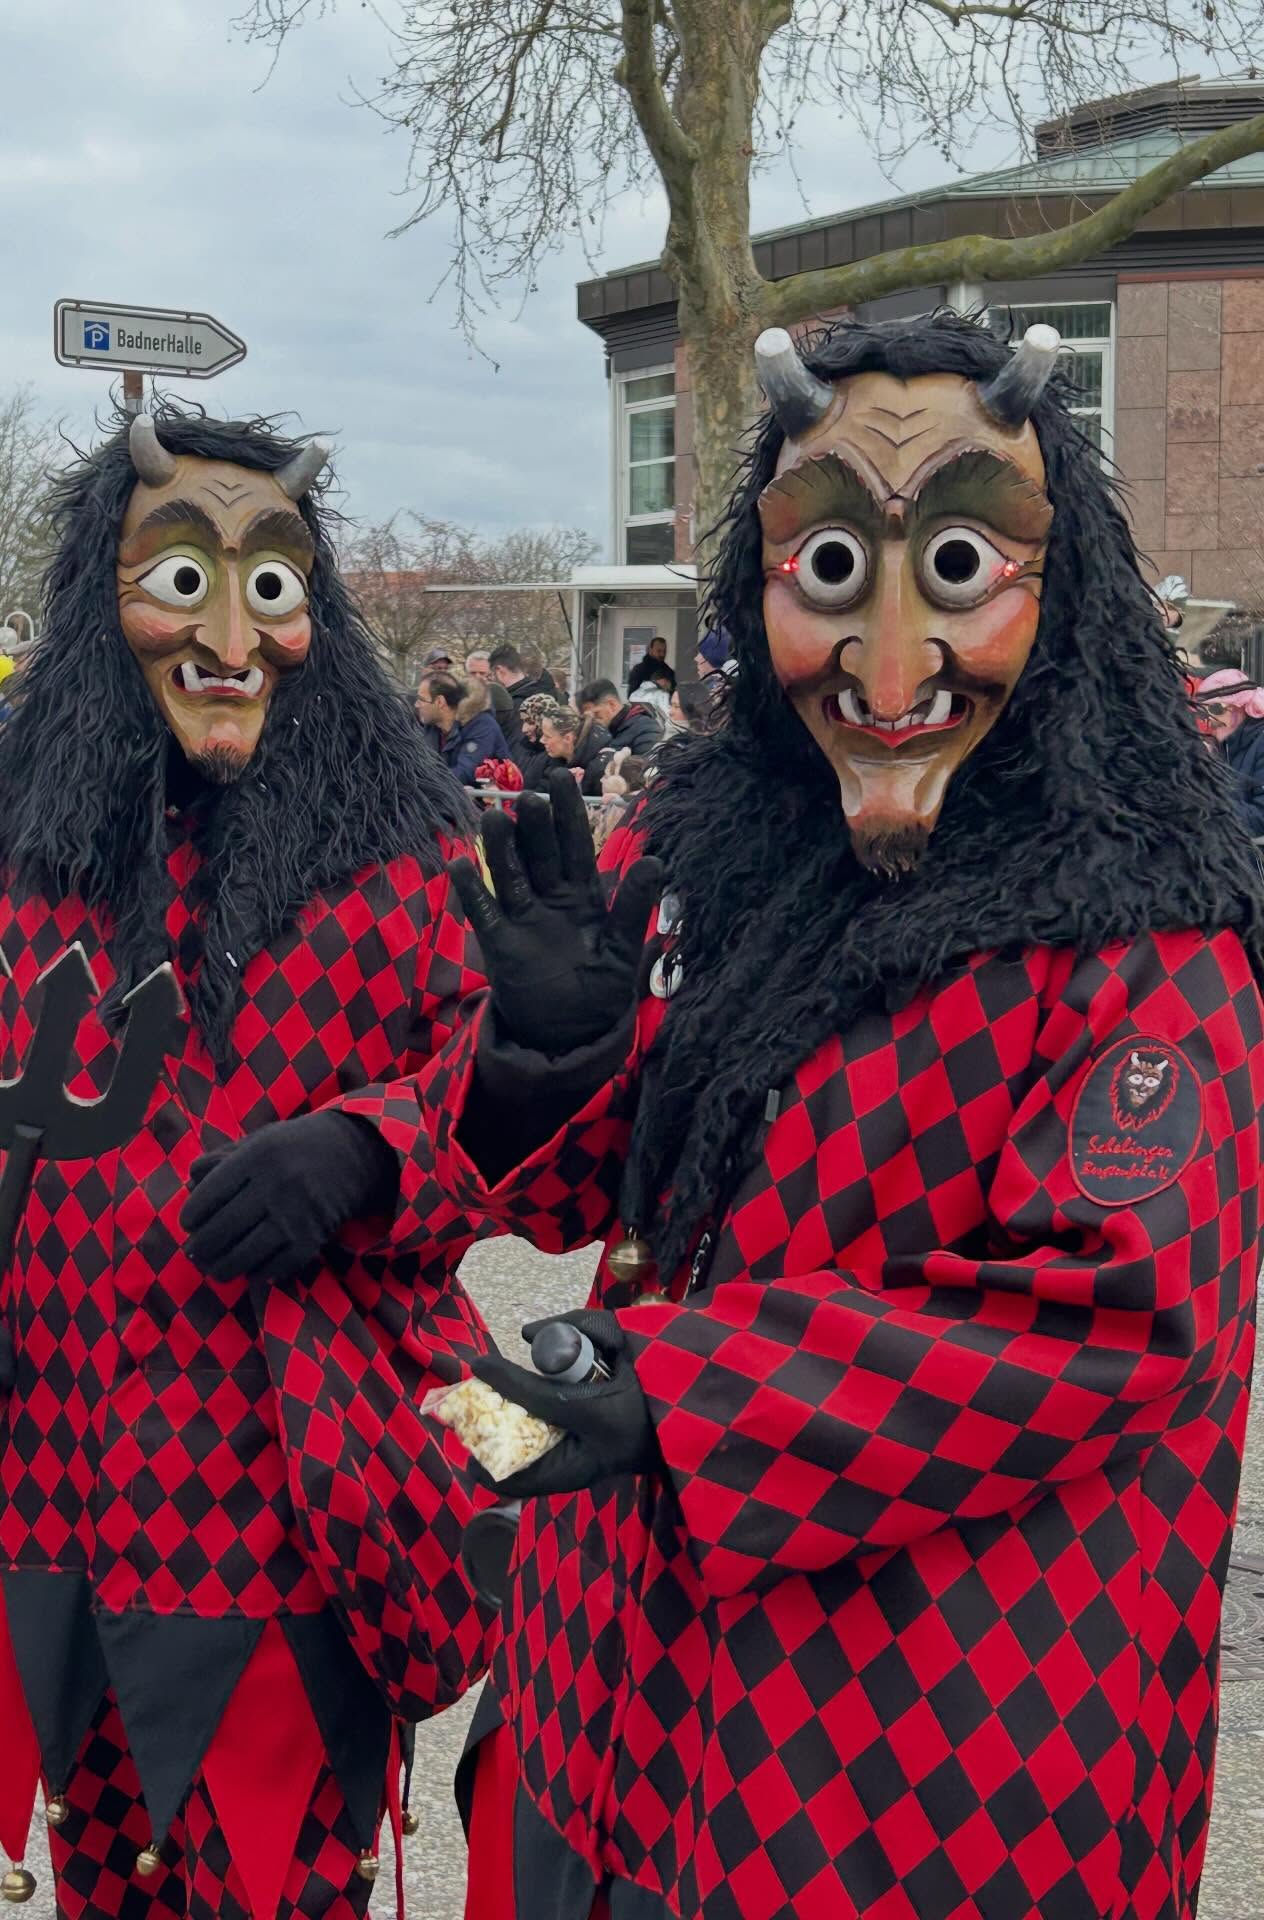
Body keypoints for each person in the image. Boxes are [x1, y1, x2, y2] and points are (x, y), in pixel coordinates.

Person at [393, 315, 1264, 1920]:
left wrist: (683, 1400)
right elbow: (642, 1186)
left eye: (953, 569)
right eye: (827, 572)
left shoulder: (1146, 946)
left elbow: (1116, 1322)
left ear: (1058, 600)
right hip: (616, 1711)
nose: (884, 665)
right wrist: (546, 1060)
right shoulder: (742, 866)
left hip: (908, 1789)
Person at [0, 405, 500, 1918]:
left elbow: (488, 1112)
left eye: (271, 587)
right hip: (70, 1500)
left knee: (281, 1882)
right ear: (104, 601)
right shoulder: (25, 874)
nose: (231, 635)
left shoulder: (403, 869)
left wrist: (367, 1154)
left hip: (291, 1512)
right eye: (181, 581)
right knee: (106, 1883)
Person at [416, 670, 516, 786]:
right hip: (444, 797)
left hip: (485, 801)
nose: (416, 704)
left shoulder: (482, 726)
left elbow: (465, 773)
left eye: (422, 699)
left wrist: (422, 782)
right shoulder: (431, 728)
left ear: (440, 702)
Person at [1199, 667, 1264, 837]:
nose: (1210, 720)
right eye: (1203, 712)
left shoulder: (1261, 743)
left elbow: (1260, 818)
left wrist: (1207, 804)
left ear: (1241, 706)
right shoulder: (1222, 745)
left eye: (1216, 709)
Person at [579, 677, 664, 757]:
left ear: (612, 705)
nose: (593, 720)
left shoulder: (646, 728)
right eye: (589, 716)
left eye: (597, 714)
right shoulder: (601, 731)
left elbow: (647, 766)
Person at [540, 701, 610, 797]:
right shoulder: (556, 758)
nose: (542, 740)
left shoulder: (599, 769)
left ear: (568, 738)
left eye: (547, 736)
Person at [467, 646, 521, 740]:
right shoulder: (457, 700)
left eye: (482, 673)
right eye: (473, 673)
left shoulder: (505, 702)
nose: (478, 677)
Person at [489, 643, 555, 716]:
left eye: (491, 674)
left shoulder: (511, 705)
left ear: (499, 670)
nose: (491, 679)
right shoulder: (541, 694)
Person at [514, 692, 555, 792]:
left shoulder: (554, 755)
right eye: (523, 721)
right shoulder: (523, 748)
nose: (524, 729)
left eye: (530, 722)